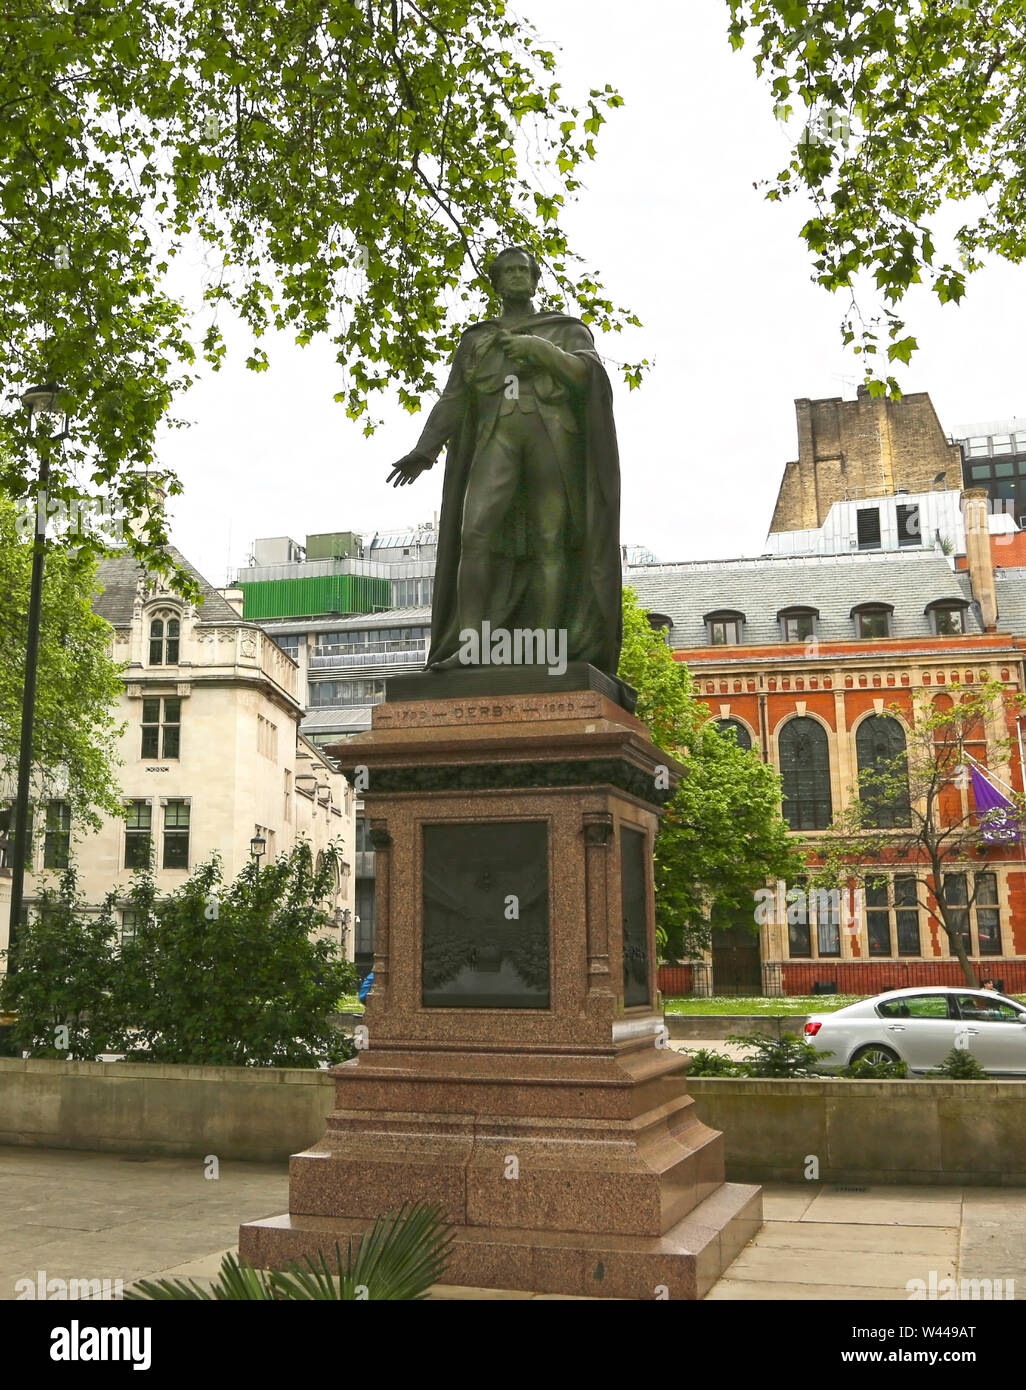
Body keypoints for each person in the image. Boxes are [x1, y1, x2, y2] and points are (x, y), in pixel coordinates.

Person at [387, 246, 622, 676]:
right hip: (498, 437)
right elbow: (454, 397)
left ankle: (550, 645)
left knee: (550, 540)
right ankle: (472, 644)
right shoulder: (477, 339)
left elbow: (588, 377)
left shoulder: (564, 330)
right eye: (507, 271)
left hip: (553, 438)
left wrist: (539, 350)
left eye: (523, 271)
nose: (516, 277)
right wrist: (425, 450)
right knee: (474, 534)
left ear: (535, 280)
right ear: (495, 282)